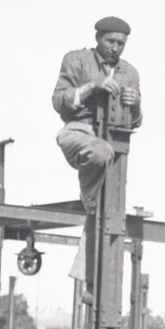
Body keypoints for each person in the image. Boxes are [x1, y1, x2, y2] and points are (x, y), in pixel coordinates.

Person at [52, 15, 142, 298]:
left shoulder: (130, 72)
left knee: (105, 208)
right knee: (100, 156)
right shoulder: (76, 61)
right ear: (98, 39)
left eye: (121, 44)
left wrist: (135, 104)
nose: (115, 48)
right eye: (110, 41)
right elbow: (59, 101)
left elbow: (136, 121)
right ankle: (91, 199)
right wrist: (92, 87)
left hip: (115, 142)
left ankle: (90, 285)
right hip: (78, 133)